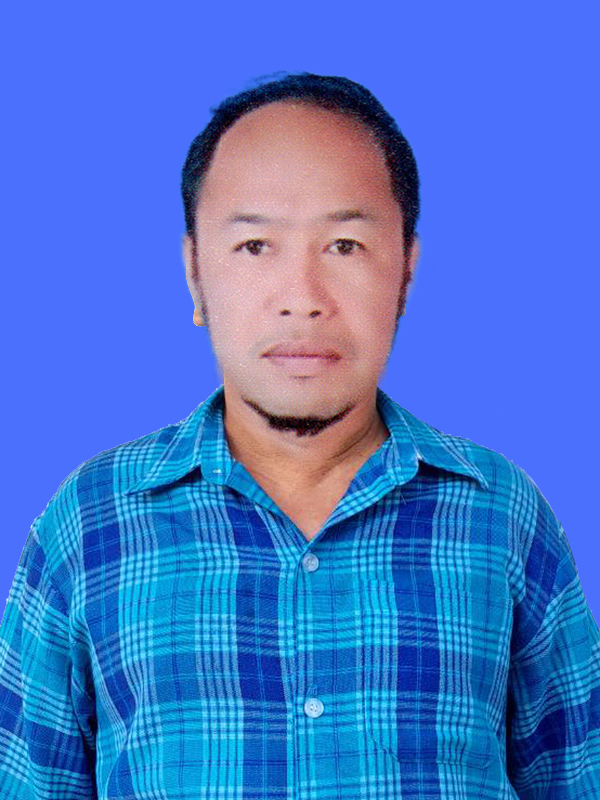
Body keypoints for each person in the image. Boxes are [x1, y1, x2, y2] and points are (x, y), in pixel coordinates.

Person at [0, 72, 598, 799]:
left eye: (345, 245)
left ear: (407, 272)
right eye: (255, 246)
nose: (302, 300)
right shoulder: (91, 521)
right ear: (195, 273)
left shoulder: (502, 514)